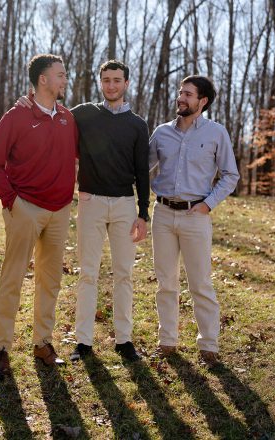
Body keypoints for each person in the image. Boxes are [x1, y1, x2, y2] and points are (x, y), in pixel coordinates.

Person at [17, 60, 150, 362]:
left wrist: (143, 212)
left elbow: (143, 171)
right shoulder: (84, 114)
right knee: (88, 273)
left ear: (126, 83)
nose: (111, 85)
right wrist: (28, 101)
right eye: (106, 80)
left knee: (124, 274)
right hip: (90, 203)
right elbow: (51, 113)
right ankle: (84, 342)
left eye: (117, 80)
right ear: (100, 82)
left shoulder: (138, 125)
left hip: (124, 205)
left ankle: (124, 340)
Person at [0, 54, 78, 378]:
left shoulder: (67, 117)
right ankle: (2, 350)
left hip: (60, 211)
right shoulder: (16, 117)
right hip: (25, 209)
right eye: (61, 75)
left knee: (50, 281)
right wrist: (12, 201)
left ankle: (42, 343)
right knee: (12, 279)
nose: (65, 80)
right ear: (43, 80)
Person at [149, 75, 239, 366]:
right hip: (162, 214)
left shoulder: (216, 133)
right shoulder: (161, 133)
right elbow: (141, 167)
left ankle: (209, 345)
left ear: (203, 101)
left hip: (195, 216)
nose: (181, 97)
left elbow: (230, 175)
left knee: (200, 283)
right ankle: (167, 341)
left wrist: (208, 204)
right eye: (180, 92)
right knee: (166, 282)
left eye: (188, 94)